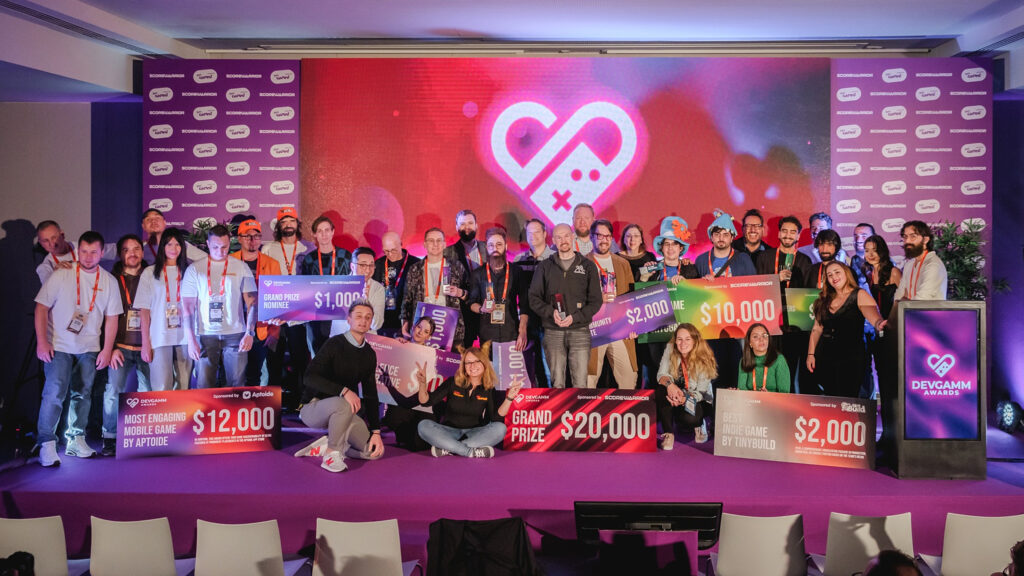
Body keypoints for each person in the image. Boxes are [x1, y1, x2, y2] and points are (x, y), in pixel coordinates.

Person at [34, 231, 122, 467]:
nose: (88, 257)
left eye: (94, 252)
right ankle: (46, 443)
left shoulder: (109, 281)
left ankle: (76, 439)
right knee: (54, 393)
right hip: (58, 344)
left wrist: (106, 349)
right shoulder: (62, 273)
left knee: (82, 394)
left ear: (102, 253)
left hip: (89, 347)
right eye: (83, 251)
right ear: (78, 250)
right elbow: (41, 307)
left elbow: (112, 318)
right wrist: (42, 342)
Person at [877, 221, 947, 464]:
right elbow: (899, 298)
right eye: (904, 236)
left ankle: (923, 451)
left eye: (913, 236)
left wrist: (905, 300)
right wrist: (892, 318)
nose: (907, 241)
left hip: (928, 338)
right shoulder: (909, 264)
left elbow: (919, 301)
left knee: (921, 395)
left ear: (926, 239)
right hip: (905, 335)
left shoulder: (934, 265)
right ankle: (893, 443)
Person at [293, 300, 384, 472]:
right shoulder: (334, 344)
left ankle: (329, 445)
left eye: (368, 317)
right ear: (348, 319)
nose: (363, 320)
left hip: (344, 413)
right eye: (358, 316)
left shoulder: (369, 354)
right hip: (313, 407)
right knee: (344, 403)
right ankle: (331, 453)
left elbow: (371, 395)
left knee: (373, 451)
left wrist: (376, 432)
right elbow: (309, 377)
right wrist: (343, 391)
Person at [181, 225, 257, 388]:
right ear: (207, 244)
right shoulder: (195, 269)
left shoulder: (241, 267)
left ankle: (235, 414)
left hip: (236, 334)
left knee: (236, 385)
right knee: (204, 385)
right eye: (215, 247)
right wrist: (190, 338)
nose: (220, 251)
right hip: (205, 334)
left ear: (230, 244)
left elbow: (252, 302)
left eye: (224, 247)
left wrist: (250, 332)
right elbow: (187, 307)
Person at [529, 223, 602, 388]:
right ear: (553, 240)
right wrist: (550, 312)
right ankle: (559, 413)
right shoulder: (544, 267)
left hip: (580, 330)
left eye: (566, 236)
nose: (563, 240)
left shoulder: (588, 266)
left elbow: (596, 301)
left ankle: (579, 414)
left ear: (573, 237)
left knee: (580, 383)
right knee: (556, 382)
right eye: (559, 237)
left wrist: (575, 318)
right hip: (552, 330)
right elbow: (533, 298)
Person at [416, 344, 520, 458]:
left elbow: (495, 418)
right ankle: (469, 452)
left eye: (477, 361)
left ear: (484, 364)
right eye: (468, 362)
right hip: (448, 432)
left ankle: (449, 449)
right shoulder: (453, 382)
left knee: (501, 428)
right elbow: (426, 402)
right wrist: (422, 384)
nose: (472, 366)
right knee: (423, 425)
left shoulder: (488, 388)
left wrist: (509, 398)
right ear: (464, 366)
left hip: (474, 433)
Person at [101, 234, 151, 457]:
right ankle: (109, 438)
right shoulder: (111, 281)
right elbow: (104, 318)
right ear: (120, 254)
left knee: (148, 393)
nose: (132, 253)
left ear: (142, 252)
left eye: (136, 249)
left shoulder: (152, 277)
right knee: (113, 392)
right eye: (126, 249)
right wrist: (110, 348)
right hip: (119, 347)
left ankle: (145, 436)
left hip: (147, 347)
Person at [807, 262, 886, 398]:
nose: (834, 277)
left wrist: (879, 324)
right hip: (825, 357)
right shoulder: (823, 299)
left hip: (851, 358)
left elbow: (875, 319)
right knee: (831, 399)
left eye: (837, 272)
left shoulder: (859, 294)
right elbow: (817, 328)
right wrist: (810, 354)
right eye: (829, 275)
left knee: (849, 399)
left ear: (846, 273)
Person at [756, 216, 814, 392]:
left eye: (793, 232)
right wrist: (776, 279)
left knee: (789, 369)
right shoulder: (764, 257)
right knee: (767, 365)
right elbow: (756, 287)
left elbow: (807, 294)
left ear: (798, 237)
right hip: (769, 321)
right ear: (779, 233)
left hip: (794, 325)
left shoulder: (805, 260)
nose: (788, 235)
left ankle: (788, 408)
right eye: (785, 231)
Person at [261, 207, 311, 403]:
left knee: (300, 359)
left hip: (299, 314)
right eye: (284, 222)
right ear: (279, 226)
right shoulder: (269, 249)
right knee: (274, 359)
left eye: (291, 221)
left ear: (297, 225)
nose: (288, 225)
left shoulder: (307, 248)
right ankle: (272, 404)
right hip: (275, 313)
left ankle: (302, 401)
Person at [138, 227, 193, 392]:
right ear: (162, 247)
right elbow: (144, 311)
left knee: (183, 388)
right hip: (159, 337)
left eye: (177, 244)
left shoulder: (190, 272)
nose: (173, 249)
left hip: (185, 337)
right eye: (169, 244)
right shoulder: (150, 273)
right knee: (161, 388)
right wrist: (145, 343)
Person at [229, 219, 282, 387]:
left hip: (261, 328)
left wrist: (274, 331)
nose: (252, 240)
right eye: (247, 236)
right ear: (239, 238)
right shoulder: (229, 262)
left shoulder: (272, 264)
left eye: (257, 236)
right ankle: (232, 410)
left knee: (254, 375)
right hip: (233, 327)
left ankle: (251, 410)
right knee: (232, 375)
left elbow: (277, 299)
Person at [586, 219, 638, 389]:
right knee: (588, 379)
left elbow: (632, 297)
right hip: (594, 328)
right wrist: (596, 298)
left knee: (629, 378)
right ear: (592, 237)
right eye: (599, 235)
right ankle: (587, 414)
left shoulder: (622, 263)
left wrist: (633, 325)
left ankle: (627, 413)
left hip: (619, 327)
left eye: (607, 236)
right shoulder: (582, 263)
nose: (604, 240)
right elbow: (576, 297)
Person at [401, 227, 469, 348]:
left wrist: (460, 292)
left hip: (450, 327)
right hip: (422, 327)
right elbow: (407, 299)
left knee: (448, 365)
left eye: (439, 240)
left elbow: (471, 295)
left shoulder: (456, 267)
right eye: (431, 241)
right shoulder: (415, 269)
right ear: (425, 244)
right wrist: (404, 321)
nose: (435, 244)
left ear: (444, 244)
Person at [382, 316, 440, 451]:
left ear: (429, 337)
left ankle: (412, 437)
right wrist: (395, 347)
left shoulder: (433, 356)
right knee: (395, 420)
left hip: (422, 404)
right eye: (419, 327)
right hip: (401, 401)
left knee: (421, 440)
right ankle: (406, 436)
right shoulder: (400, 345)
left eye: (426, 331)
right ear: (413, 327)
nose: (420, 332)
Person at [655, 323, 717, 449]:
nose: (683, 343)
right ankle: (669, 434)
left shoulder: (704, 357)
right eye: (679, 339)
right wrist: (670, 385)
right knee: (661, 389)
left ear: (695, 340)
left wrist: (684, 398)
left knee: (690, 419)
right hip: (674, 395)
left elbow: (701, 392)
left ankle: (700, 424)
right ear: (675, 340)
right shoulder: (670, 348)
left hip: (697, 398)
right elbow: (661, 374)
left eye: (687, 339)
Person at [301, 214, 352, 355]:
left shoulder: (346, 256)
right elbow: (304, 288)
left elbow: (353, 285)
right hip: (316, 315)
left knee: (341, 355)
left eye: (327, 230)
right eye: (320, 231)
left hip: (341, 314)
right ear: (314, 234)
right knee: (318, 354)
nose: (324, 234)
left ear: (333, 231)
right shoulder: (309, 259)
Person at [467, 227, 527, 349]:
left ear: (505, 246)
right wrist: (481, 309)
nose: (495, 248)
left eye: (499, 244)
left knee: (511, 369)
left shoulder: (517, 271)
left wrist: (523, 330)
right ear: (486, 248)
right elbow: (471, 302)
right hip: (487, 335)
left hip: (512, 334)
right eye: (491, 245)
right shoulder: (478, 274)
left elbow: (525, 304)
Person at [513, 218, 554, 387]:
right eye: (530, 233)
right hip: (527, 320)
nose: (533, 236)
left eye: (537, 232)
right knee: (529, 365)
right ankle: (536, 401)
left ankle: (554, 402)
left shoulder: (556, 259)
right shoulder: (518, 260)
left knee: (549, 365)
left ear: (545, 234)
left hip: (549, 320)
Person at [444, 210, 487, 348]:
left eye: (470, 223)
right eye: (462, 224)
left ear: (476, 225)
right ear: (456, 227)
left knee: (489, 352)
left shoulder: (488, 248)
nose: (467, 227)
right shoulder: (447, 252)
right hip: (462, 312)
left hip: (487, 308)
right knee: (464, 352)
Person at [330, 247, 386, 337]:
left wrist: (367, 302)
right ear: (352, 266)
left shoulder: (378, 288)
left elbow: (376, 325)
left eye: (371, 265)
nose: (368, 270)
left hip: (366, 341)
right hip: (339, 340)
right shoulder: (338, 284)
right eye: (363, 265)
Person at [373, 231, 420, 338]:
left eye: (393, 250)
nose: (389, 254)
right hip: (382, 321)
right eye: (386, 251)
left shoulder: (415, 264)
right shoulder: (378, 264)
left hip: (406, 321)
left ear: (401, 244)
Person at [694, 210, 757, 278]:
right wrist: (703, 283)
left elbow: (754, 284)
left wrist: (735, 278)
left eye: (726, 235)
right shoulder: (701, 260)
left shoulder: (744, 259)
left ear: (732, 238)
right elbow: (693, 287)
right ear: (711, 237)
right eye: (717, 234)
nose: (721, 238)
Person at [737, 323, 790, 393]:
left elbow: (785, 393)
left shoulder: (779, 360)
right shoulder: (745, 360)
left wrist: (768, 397)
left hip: (774, 403)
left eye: (764, 335)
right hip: (751, 402)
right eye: (755, 336)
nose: (761, 339)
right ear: (750, 342)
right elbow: (742, 389)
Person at [140, 208, 206, 263]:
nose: (153, 221)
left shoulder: (179, 244)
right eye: (148, 219)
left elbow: (205, 260)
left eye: (157, 218)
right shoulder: (140, 248)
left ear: (164, 223)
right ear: (143, 226)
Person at [863, 234, 901, 320]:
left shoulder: (894, 272)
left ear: (882, 251)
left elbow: (906, 299)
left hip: (896, 320)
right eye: (867, 251)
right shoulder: (870, 273)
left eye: (875, 250)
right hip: (880, 322)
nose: (870, 255)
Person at [34, 220, 77, 285]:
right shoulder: (45, 267)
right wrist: (55, 274)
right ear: (41, 243)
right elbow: (49, 290)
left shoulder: (83, 247)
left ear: (62, 235)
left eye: (54, 238)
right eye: (46, 240)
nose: (52, 244)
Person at [850, 223, 876, 289]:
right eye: (856, 236)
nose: (858, 240)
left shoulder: (884, 261)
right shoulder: (854, 260)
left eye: (864, 236)